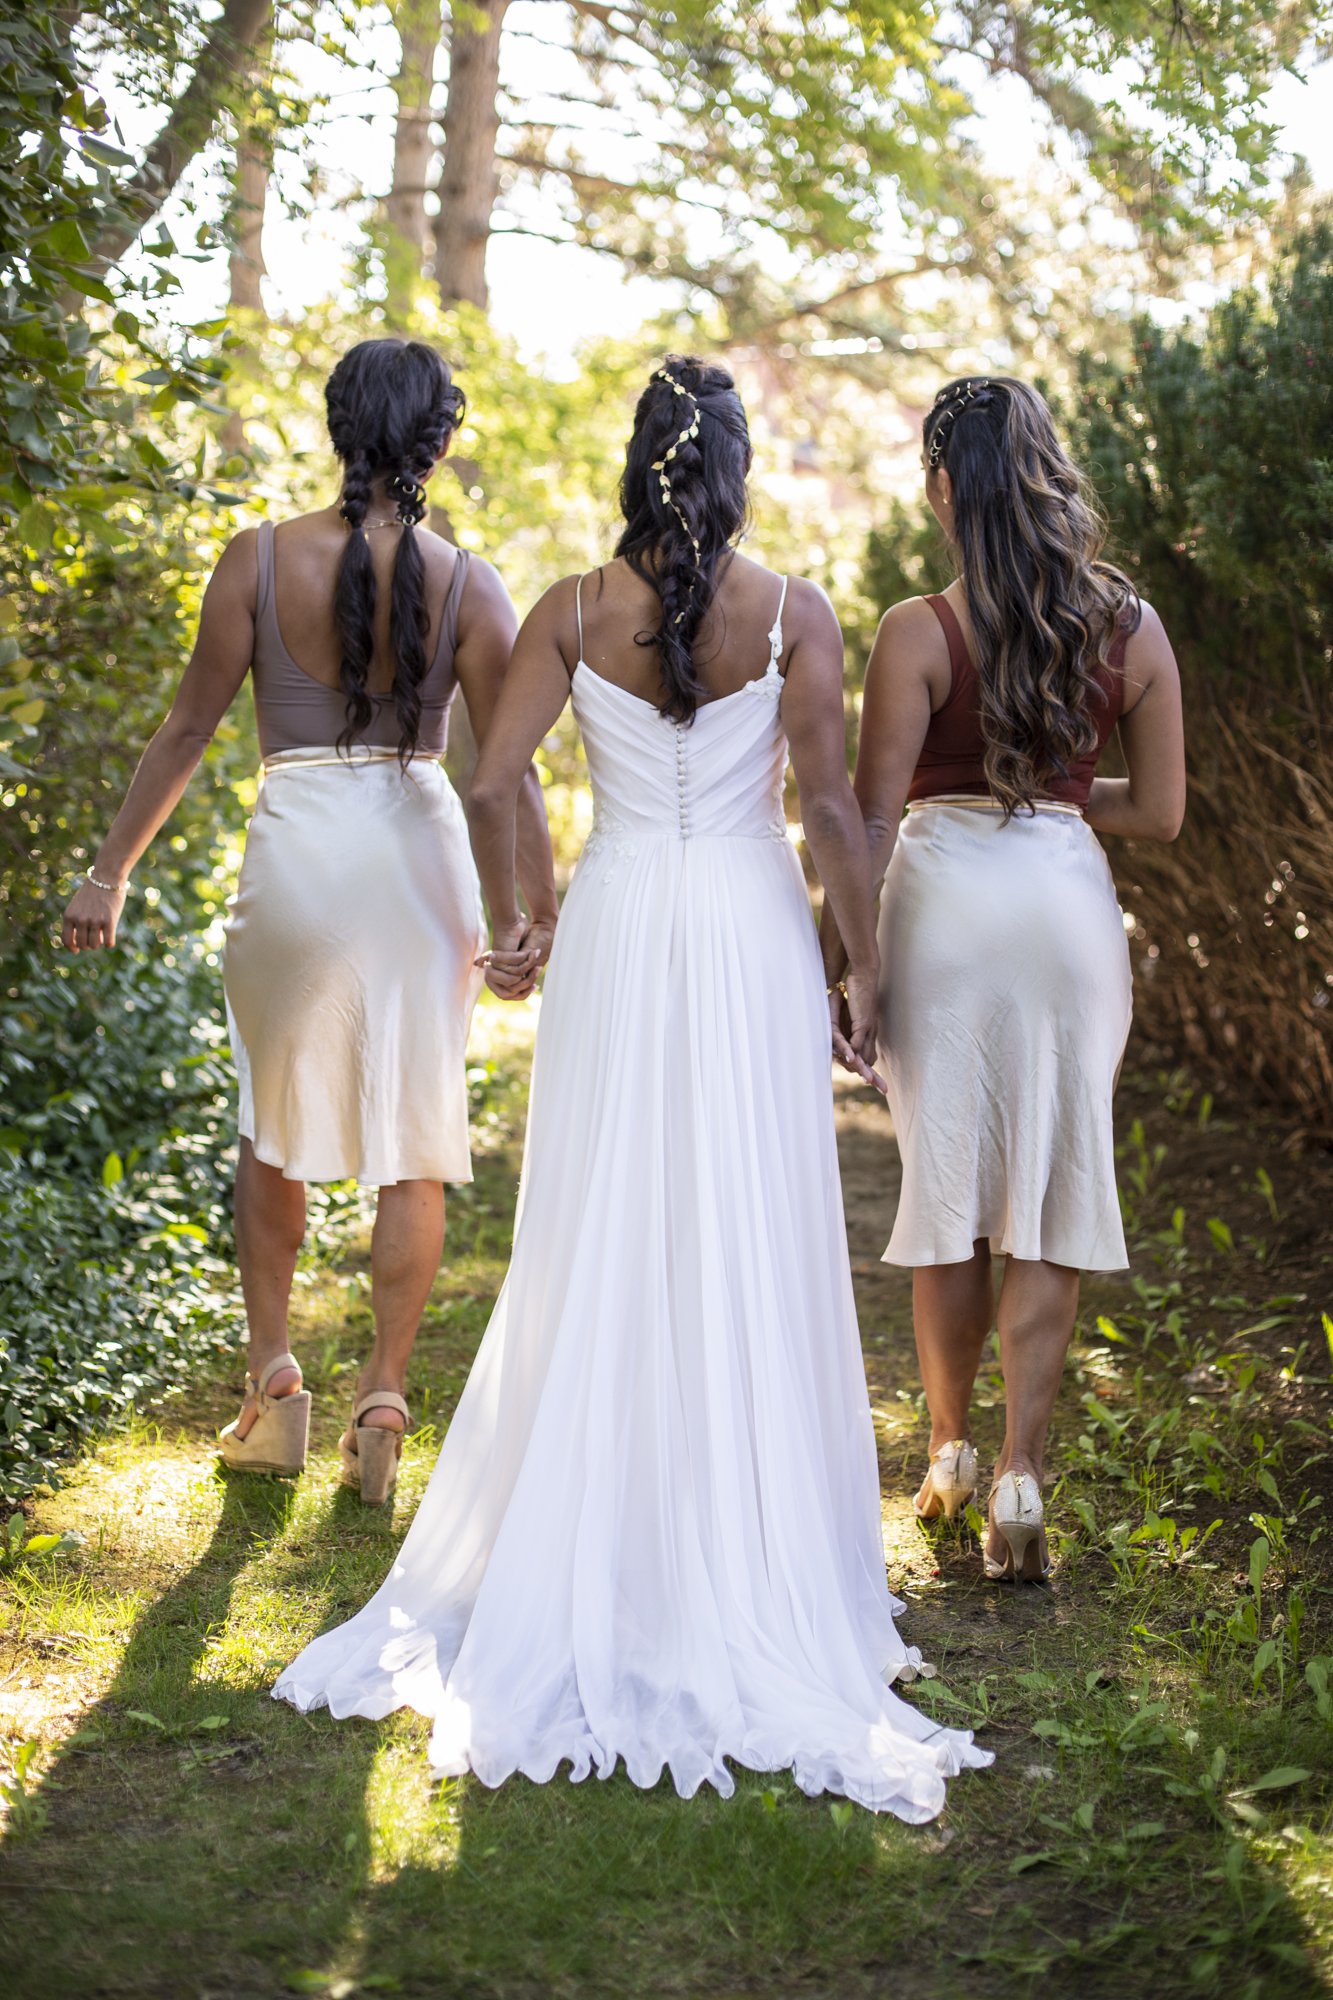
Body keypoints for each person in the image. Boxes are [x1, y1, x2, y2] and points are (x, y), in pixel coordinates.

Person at [274, 356, 990, 1818]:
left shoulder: (574, 608)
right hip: (737, 934)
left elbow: (490, 777)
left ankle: (601, 1519)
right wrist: (861, 970)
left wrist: (522, 913)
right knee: (741, 1214)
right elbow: (838, 815)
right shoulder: (792, 614)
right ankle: (739, 1540)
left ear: (637, 465)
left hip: (615, 928)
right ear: (733, 467)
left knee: (600, 1220)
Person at [60, 337, 556, 1505]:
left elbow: (184, 733)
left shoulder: (255, 558)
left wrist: (109, 873)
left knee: (270, 1121)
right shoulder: (468, 578)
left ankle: (275, 1382)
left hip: (295, 854)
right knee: (415, 1138)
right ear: (438, 441)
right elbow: (510, 771)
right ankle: (383, 1394)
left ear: (340, 429)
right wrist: (527, 911)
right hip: (415, 861)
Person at [823, 376, 1186, 1581]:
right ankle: (1024, 1473)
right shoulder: (1128, 626)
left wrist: (848, 967)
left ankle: (948, 1449)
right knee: (1048, 1189)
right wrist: (1065, 795)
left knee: (949, 1196)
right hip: (1066, 908)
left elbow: (869, 822)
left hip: (946, 909)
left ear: (941, 484)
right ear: (1046, 469)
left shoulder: (919, 627)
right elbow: (1165, 813)